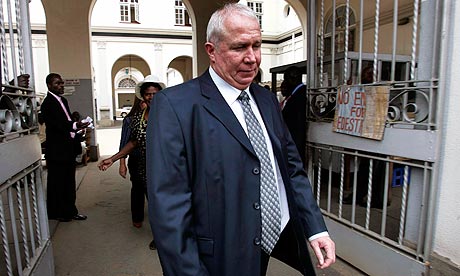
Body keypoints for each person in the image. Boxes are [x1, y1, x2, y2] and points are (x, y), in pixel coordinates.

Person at [146, 4, 335, 276]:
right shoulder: (175, 106)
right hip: (216, 256)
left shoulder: (267, 100)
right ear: (211, 51)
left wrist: (315, 228)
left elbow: (292, 171)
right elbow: (169, 208)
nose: (252, 58)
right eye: (239, 47)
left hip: (266, 245)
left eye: (256, 45)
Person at [98, 75, 165, 250]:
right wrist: (113, 159)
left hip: (165, 169)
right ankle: (159, 236)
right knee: (151, 203)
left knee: (161, 205)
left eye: (155, 93)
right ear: (143, 96)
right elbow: (133, 142)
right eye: (148, 94)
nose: (151, 97)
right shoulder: (137, 118)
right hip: (144, 168)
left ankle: (165, 237)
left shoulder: (169, 116)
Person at [40, 73, 89, 222]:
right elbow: (57, 125)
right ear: (49, 85)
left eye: (61, 83)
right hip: (57, 150)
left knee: (68, 182)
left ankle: (69, 210)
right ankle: (59, 212)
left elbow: (66, 121)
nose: (61, 86)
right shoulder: (47, 103)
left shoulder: (63, 100)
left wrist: (76, 129)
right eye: (57, 83)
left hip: (67, 148)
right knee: (58, 182)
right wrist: (75, 125)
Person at [119, 96, 147, 228]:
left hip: (153, 161)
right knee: (137, 188)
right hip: (136, 159)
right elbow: (125, 143)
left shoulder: (159, 118)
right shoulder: (130, 120)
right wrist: (122, 164)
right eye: (143, 102)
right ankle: (137, 218)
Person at [280, 66, 307, 164]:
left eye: (285, 79)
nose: (285, 83)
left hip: (295, 146)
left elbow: (298, 125)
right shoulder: (295, 95)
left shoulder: (300, 96)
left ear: (292, 79)